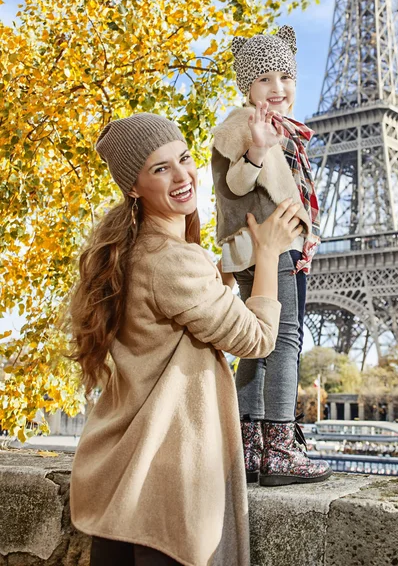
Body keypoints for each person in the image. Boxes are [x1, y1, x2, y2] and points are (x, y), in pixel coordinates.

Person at [69, 113, 303, 566]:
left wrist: (227, 273)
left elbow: (187, 319)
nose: (182, 176)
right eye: (161, 168)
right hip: (165, 491)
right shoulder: (170, 260)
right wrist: (270, 253)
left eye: (184, 159)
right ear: (133, 186)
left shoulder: (134, 250)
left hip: (124, 482)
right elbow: (257, 338)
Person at [211, 25, 332, 487]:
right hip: (269, 245)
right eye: (264, 79)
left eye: (285, 76)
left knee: (257, 344)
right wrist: (259, 151)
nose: (277, 88)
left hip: (268, 246)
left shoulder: (285, 130)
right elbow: (235, 184)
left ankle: (249, 447)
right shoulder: (246, 126)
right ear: (247, 86)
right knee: (284, 340)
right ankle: (278, 447)